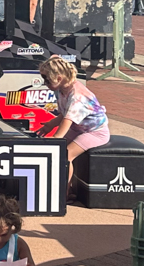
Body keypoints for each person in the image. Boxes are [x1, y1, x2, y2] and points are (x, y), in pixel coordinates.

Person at [35, 56, 110, 195]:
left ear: (58, 78)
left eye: (47, 79)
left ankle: (64, 194)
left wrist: (56, 138)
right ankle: (50, 185)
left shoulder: (77, 96)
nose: (45, 83)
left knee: (65, 155)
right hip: (78, 128)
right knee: (53, 151)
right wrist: (49, 125)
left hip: (95, 132)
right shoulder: (63, 89)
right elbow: (65, 113)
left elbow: (68, 119)